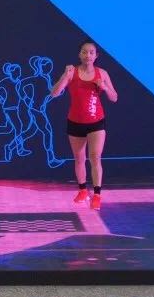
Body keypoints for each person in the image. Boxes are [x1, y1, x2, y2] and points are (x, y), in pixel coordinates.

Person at [50, 39, 118, 211]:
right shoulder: (71, 72)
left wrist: (104, 87)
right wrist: (64, 76)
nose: (88, 55)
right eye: (84, 52)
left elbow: (114, 97)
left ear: (96, 56)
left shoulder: (102, 73)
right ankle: (82, 190)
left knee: (95, 157)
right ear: (79, 54)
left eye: (91, 52)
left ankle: (97, 195)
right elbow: (54, 93)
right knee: (79, 158)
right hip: (75, 122)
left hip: (96, 121)